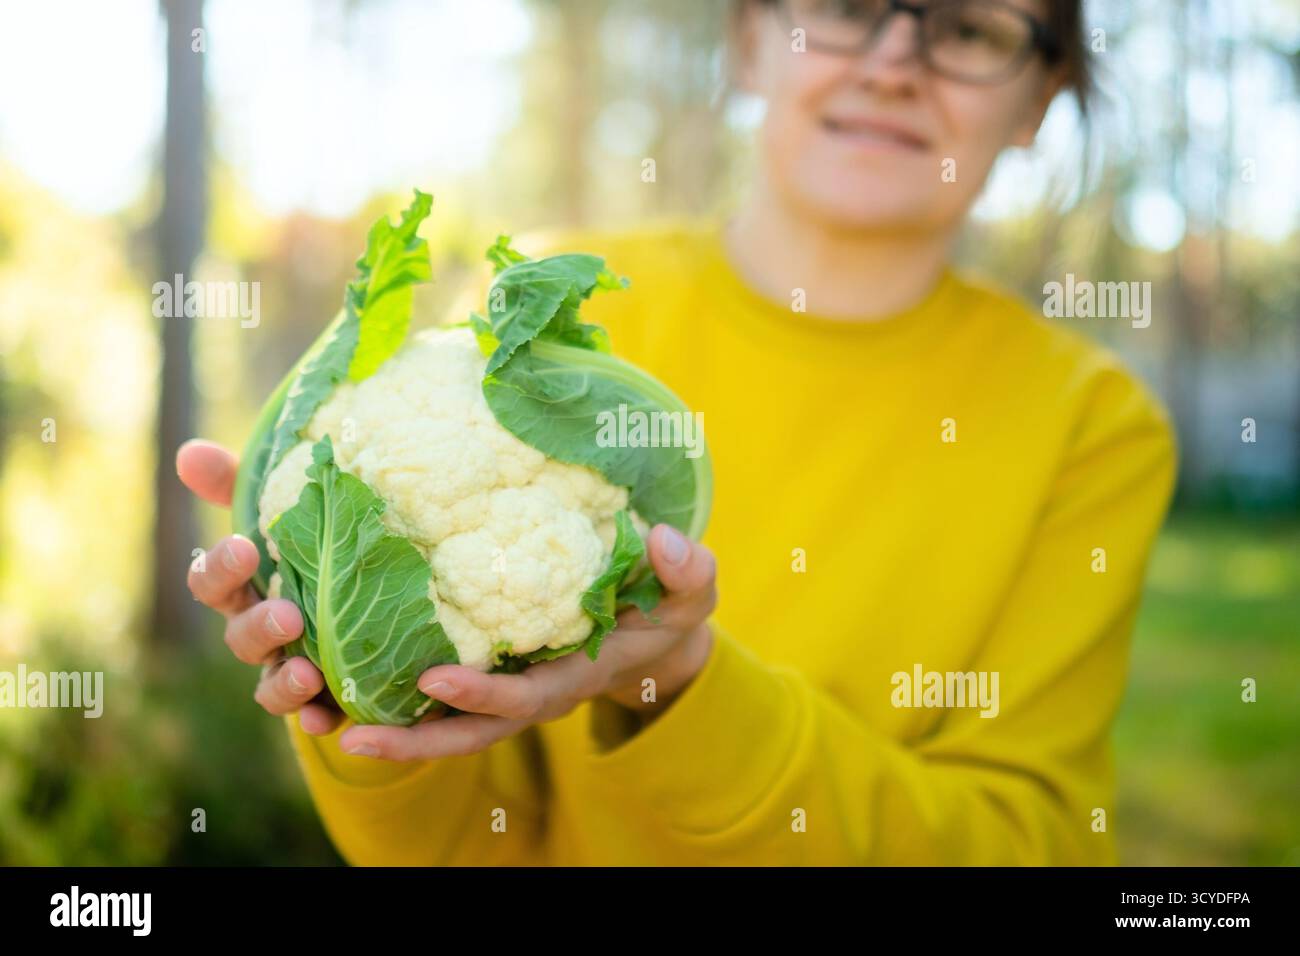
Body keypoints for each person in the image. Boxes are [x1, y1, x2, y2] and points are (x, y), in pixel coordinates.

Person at [177, 0, 1176, 864]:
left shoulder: (1090, 425)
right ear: (750, 39)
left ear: (1040, 101)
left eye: (969, 27)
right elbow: (463, 851)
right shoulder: (546, 311)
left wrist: (681, 681)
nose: (892, 63)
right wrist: (350, 677)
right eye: (843, 6)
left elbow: (1026, 845)